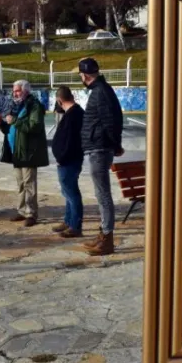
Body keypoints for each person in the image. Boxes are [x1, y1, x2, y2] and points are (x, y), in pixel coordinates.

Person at [78, 57, 124, 256]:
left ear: (84, 75)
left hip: (99, 149)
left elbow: (110, 121)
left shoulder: (100, 92)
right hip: (98, 147)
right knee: (101, 194)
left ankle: (107, 239)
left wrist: (115, 144)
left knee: (103, 195)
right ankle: (103, 234)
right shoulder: (101, 90)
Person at [0, 80, 48, 227]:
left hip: (28, 152)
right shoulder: (14, 106)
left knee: (29, 184)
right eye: (14, 90)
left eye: (18, 90)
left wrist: (15, 122)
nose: (15, 93)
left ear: (26, 91)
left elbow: (35, 126)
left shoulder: (34, 106)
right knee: (20, 184)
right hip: (16, 151)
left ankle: (31, 213)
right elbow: (8, 129)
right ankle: (21, 211)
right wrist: (0, 123)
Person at [51, 86, 85, 238]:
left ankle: (75, 225)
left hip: (69, 161)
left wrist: (61, 158)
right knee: (67, 192)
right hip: (70, 159)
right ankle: (68, 220)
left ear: (59, 100)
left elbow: (70, 141)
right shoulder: (74, 113)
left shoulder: (73, 116)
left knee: (72, 193)